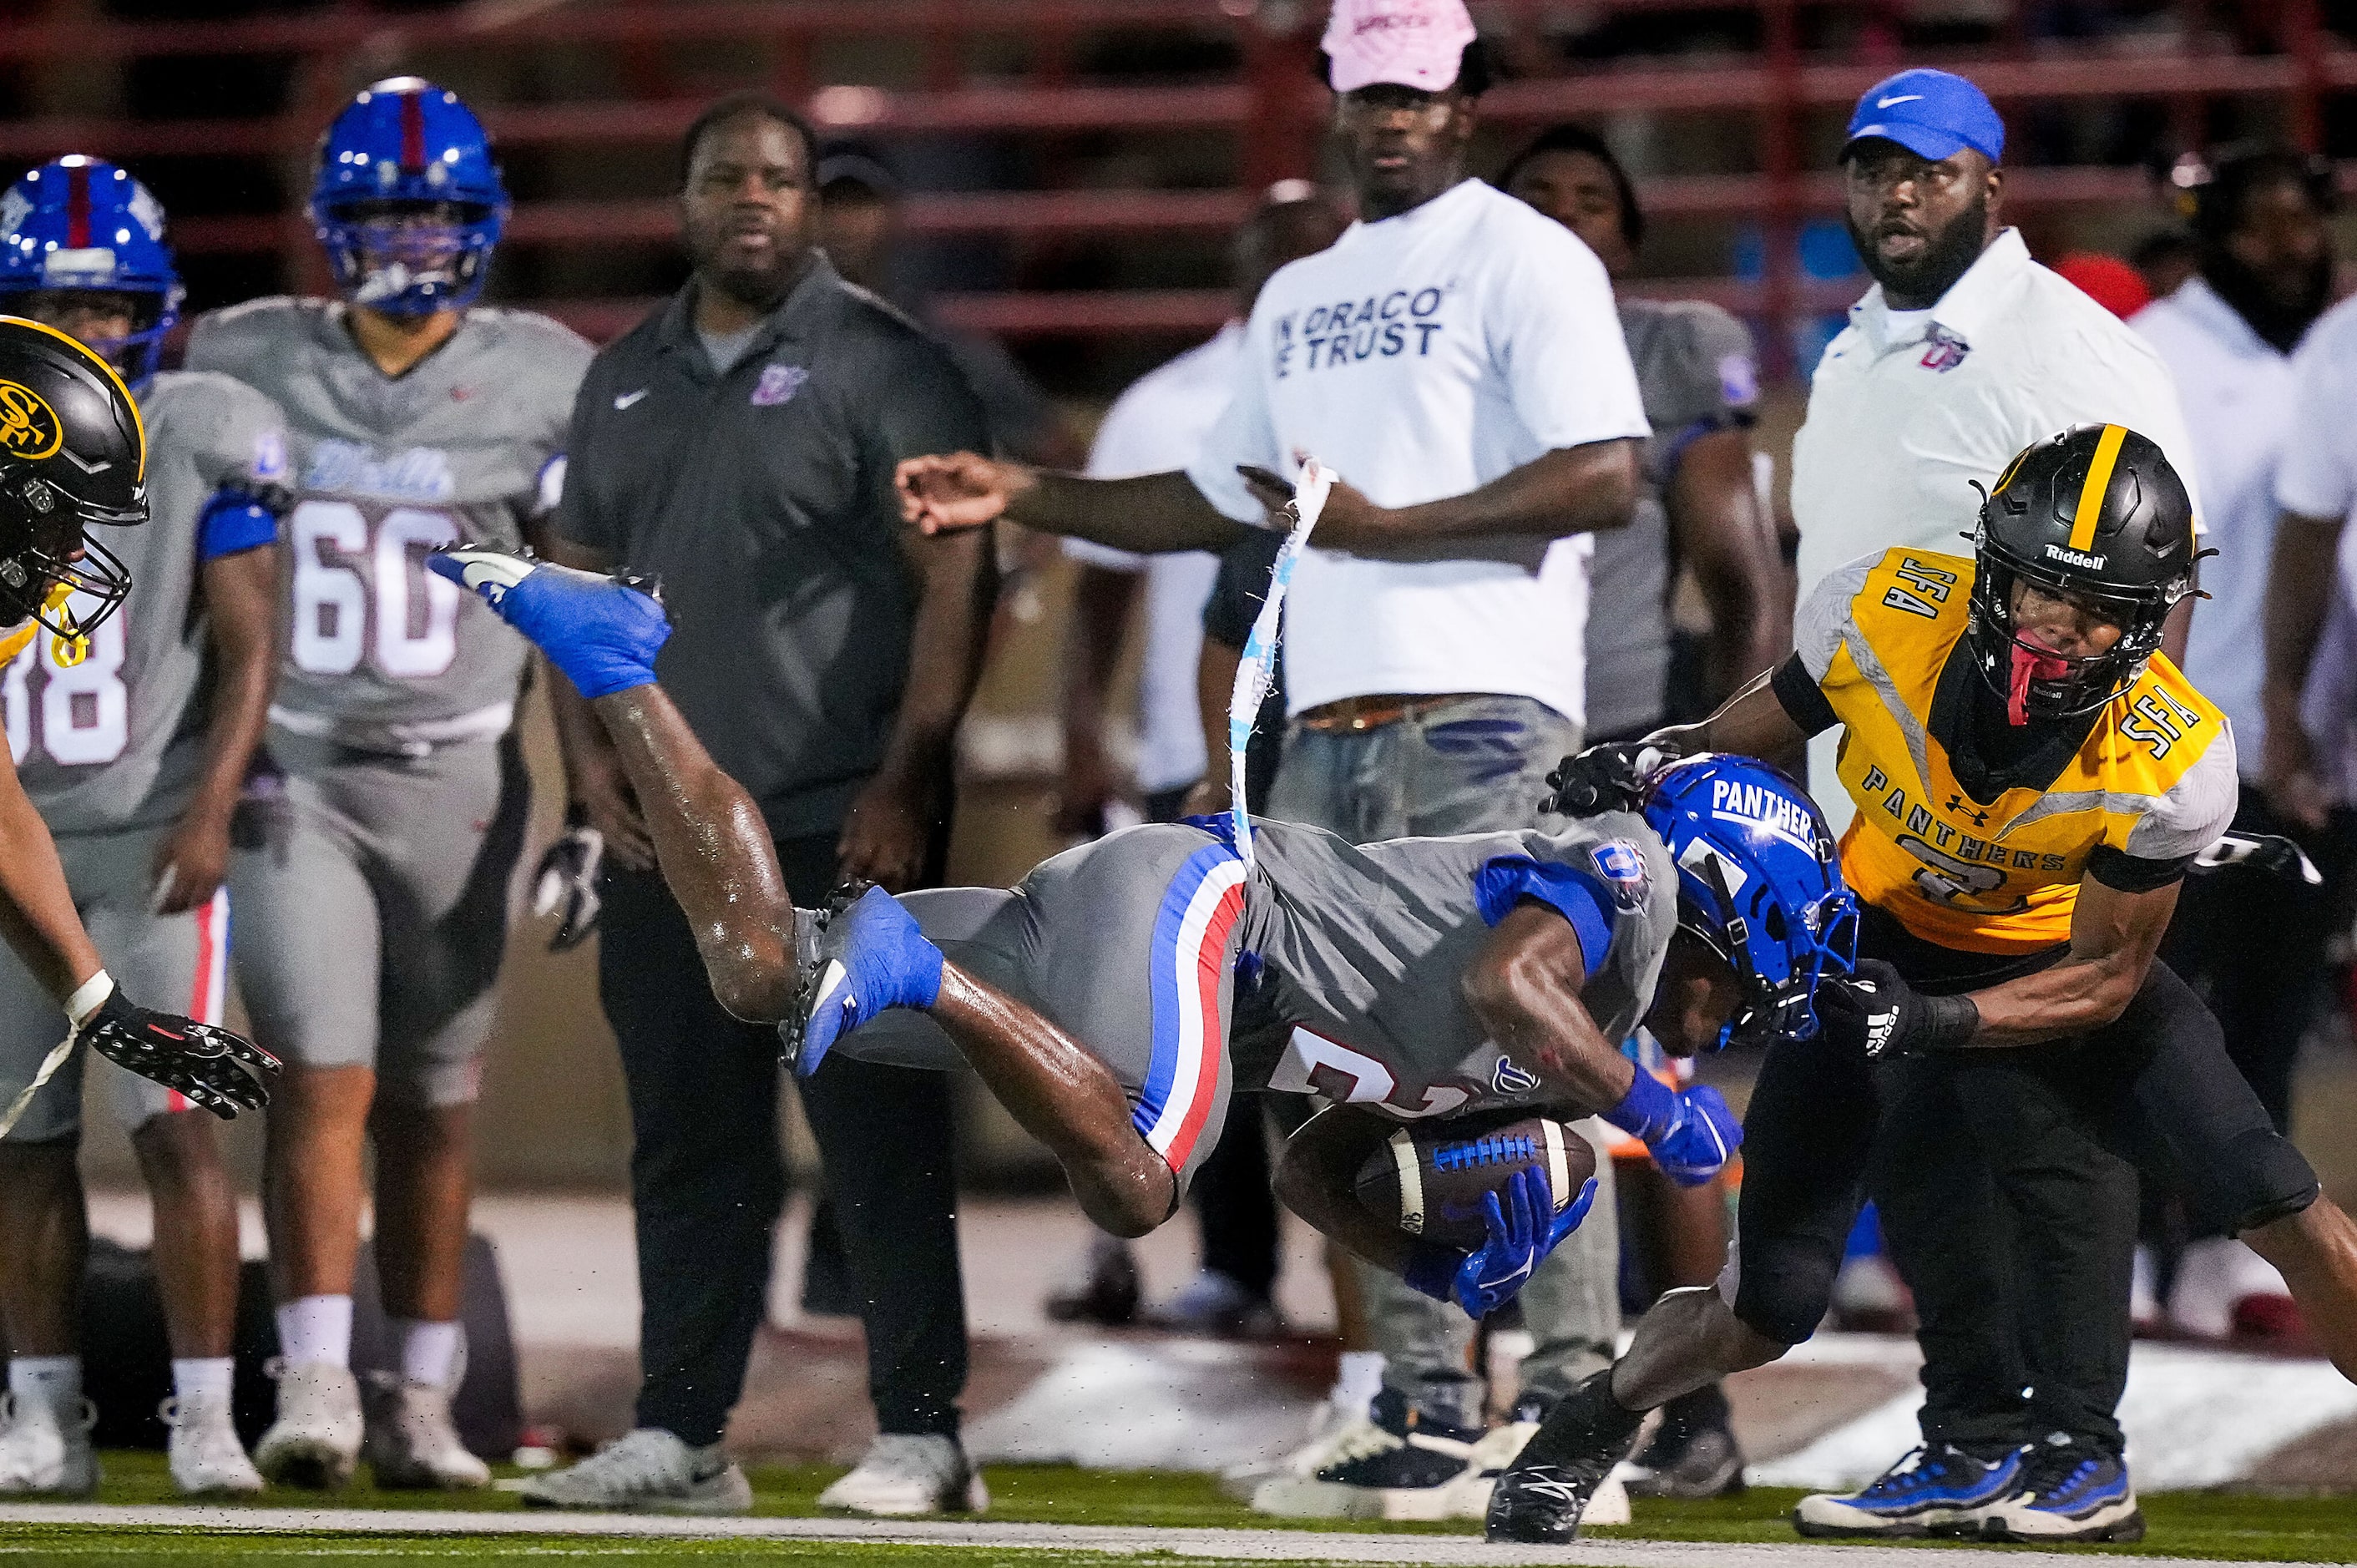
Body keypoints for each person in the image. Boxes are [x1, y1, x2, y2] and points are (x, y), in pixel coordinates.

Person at [435, 542, 1840, 1530]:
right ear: (1732, 908)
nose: (1723, 1022)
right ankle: (924, 970)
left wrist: (1433, 1258)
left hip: (1163, 937)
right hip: (1204, 910)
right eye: (1745, 981)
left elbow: (1306, 1176)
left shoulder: (1524, 1051)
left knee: (759, 970)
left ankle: (615, 659)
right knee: (1140, 1178)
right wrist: (1650, 1117)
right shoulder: (1628, 882)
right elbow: (1510, 993)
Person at [895, 0, 1653, 1515]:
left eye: (1417, 95)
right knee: (1350, 1069)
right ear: (1333, 101)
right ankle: (1429, 1408)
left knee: (1517, 1061)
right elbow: (1218, 494)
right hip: (1330, 721)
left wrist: (1384, 527)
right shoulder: (1305, 290)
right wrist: (1025, 493)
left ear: (1468, 101)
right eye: (1367, 94)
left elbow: (1606, 475)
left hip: (1488, 707)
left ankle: (1574, 1408)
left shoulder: (1529, 256)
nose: (1390, 119)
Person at [1488, 427, 2357, 1548]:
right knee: (1769, 1304)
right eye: (2044, 592)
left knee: (2284, 1203)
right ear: (1995, 568)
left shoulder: (2173, 755)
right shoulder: (1889, 607)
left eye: (2098, 610)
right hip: (1874, 947)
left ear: (2148, 622)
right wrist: (1666, 754)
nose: (2062, 629)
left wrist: (1940, 1021)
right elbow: (1772, 715)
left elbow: (2103, 980)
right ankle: (1586, 1420)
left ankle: (2059, 1458)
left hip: (2056, 960)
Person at [515, 94, 997, 1519]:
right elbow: (574, 583)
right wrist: (588, 763)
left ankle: (924, 1432)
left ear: (809, 204)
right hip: (669, 826)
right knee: (687, 1136)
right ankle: (683, 1435)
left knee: (874, 1138)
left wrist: (912, 776)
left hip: (834, 813)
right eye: (728, 175)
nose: (754, 198)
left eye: (780, 179)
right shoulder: (621, 376)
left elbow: (961, 578)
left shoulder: (884, 361)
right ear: (683, 198)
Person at [1778, 68, 2206, 1530]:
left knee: (2047, 1143)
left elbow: (2154, 575)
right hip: (1882, 816)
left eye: (1931, 171)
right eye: (1873, 169)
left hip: (2036, 823)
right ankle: (1968, 1437)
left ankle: (2079, 1447)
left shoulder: (2065, 346)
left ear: (1993, 185)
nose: (1896, 195)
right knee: (1921, 1147)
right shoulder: (1853, 347)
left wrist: (2123, 786)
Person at [182, 78, 593, 1490]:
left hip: (463, 777)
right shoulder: (239, 356)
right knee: (320, 1072)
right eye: (382, 215)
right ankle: (313, 1384)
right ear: (328, 229)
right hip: (298, 767)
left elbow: (571, 597)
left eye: (433, 214)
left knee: (435, 1097)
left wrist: (596, 802)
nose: (410, 241)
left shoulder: (548, 373)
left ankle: (420, 1395)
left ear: (480, 225)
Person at [1498, 121, 1788, 1500]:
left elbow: (1740, 564)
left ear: (1630, 230)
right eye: (1535, 198)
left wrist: (1729, 775)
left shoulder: (1680, 343)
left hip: (1617, 737)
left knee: (1647, 1072)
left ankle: (1696, 1409)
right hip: (1483, 734)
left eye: (1590, 199)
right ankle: (1530, 1384)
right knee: (1508, 1063)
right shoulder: (1464, 325)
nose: (1562, 218)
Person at [0, 159, 286, 1497]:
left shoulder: (203, 423)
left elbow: (248, 642)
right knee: (21, 1143)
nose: (93, 337)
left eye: (114, 309)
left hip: (134, 837)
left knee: (178, 1123)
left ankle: (207, 1417)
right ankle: (44, 1416)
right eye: (64, 311)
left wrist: (212, 806)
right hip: (15, 843)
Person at [1050, 182, 1348, 1339]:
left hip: (1337, 740)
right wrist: (1083, 732)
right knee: (1200, 1013)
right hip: (1197, 749)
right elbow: (1098, 589)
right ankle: (1232, 1262)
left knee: (1329, 1012)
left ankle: (1367, 1270)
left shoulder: (1378, 386)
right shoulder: (1165, 405)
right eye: (1278, 255)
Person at [2132, 144, 2342, 1339]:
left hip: (2312, 747)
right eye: (2260, 224)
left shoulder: (2334, 346)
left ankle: (2221, 1251)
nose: (2287, 246)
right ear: (2213, 231)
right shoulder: (2161, 348)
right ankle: (2130, 1247)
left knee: (2268, 1012)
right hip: (2179, 738)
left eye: (2305, 220)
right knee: (2146, 1001)